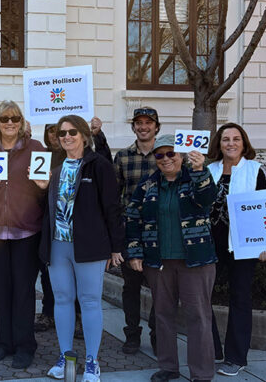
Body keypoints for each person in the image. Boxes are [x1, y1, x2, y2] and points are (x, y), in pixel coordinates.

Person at [36, 115, 124, 382]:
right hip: (57, 245)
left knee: (89, 302)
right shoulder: (56, 165)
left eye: (73, 132)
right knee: (62, 301)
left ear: (84, 135)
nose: (67, 137)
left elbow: (112, 207)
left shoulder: (99, 165)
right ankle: (65, 357)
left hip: (90, 246)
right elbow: (46, 207)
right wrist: (41, 190)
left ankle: (92, 362)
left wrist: (116, 247)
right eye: (62, 133)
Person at [126, 134, 217, 382]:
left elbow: (208, 199)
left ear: (181, 155)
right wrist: (135, 252)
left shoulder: (196, 177)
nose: (165, 159)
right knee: (162, 315)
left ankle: (202, 373)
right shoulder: (147, 185)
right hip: (159, 262)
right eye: (159, 155)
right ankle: (168, 366)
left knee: (198, 317)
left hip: (195, 261)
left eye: (171, 154)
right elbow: (133, 219)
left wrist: (199, 170)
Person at [0, 101, 47, 369]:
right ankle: (4, 343)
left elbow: (44, 192)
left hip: (26, 230)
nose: (10, 123)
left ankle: (26, 346)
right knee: (1, 290)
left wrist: (43, 185)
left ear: (20, 120)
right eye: (4, 118)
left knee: (24, 291)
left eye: (14, 118)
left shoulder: (35, 148)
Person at [206, 123, 266, 377]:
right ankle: (211, 349)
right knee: (203, 296)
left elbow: (265, 209)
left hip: (244, 245)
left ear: (244, 143)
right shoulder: (208, 169)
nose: (231, 143)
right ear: (219, 144)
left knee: (240, 297)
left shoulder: (255, 170)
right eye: (225, 139)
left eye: (236, 139)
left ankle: (236, 357)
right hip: (211, 243)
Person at [113, 106, 160, 354]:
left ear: (156, 126)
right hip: (130, 233)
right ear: (133, 127)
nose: (143, 127)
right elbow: (113, 196)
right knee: (130, 287)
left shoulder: (166, 155)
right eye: (139, 123)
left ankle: (156, 334)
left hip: (159, 233)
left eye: (148, 123)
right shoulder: (122, 157)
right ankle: (132, 334)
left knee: (158, 288)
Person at [33, 124, 64, 333]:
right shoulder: (41, 156)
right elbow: (34, 191)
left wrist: (99, 137)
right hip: (45, 222)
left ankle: (76, 314)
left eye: (59, 130)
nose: (55, 135)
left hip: (70, 223)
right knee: (47, 271)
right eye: (51, 131)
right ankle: (48, 312)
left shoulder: (77, 155)